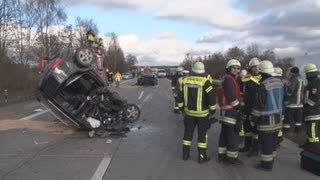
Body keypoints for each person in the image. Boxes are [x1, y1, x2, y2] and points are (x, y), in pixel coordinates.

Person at [176, 62, 216, 163]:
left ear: (193, 70)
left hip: (189, 113)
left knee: (188, 134)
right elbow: (211, 99)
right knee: (202, 135)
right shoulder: (206, 82)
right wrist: (212, 111)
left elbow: (179, 97)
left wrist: (182, 110)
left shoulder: (184, 81)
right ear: (203, 71)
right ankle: (201, 157)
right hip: (203, 115)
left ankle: (185, 155)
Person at [251, 60, 284, 171]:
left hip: (266, 119)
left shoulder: (263, 85)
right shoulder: (280, 82)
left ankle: (266, 165)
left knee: (267, 142)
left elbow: (258, 105)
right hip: (278, 117)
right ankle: (271, 159)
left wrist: (253, 119)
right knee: (274, 140)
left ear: (262, 72)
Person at [217, 59, 243, 165]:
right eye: (234, 68)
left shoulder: (228, 79)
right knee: (233, 137)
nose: (236, 70)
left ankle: (222, 156)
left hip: (225, 111)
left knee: (224, 135)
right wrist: (238, 108)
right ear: (228, 68)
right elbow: (232, 97)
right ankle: (232, 159)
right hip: (231, 112)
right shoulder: (229, 80)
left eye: (237, 68)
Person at [240, 57, 261, 157]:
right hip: (246, 108)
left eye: (258, 67)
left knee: (255, 130)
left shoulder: (262, 79)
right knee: (247, 128)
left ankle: (255, 149)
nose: (256, 69)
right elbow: (241, 92)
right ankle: (247, 146)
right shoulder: (246, 79)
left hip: (256, 108)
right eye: (254, 67)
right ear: (250, 68)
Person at [300, 63, 320, 149]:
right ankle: (309, 144)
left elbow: (314, 97)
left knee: (312, 131)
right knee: (309, 129)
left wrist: (308, 105)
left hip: (313, 112)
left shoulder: (315, 82)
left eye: (306, 73)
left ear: (309, 73)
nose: (306, 75)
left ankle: (315, 147)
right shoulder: (312, 82)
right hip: (311, 111)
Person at [283, 67, 304, 133]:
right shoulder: (301, 78)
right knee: (298, 118)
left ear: (292, 72)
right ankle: (298, 130)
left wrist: (286, 97)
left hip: (292, 102)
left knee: (287, 117)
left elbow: (290, 90)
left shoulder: (293, 78)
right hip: (300, 102)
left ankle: (286, 130)